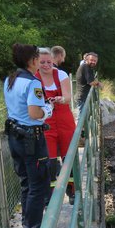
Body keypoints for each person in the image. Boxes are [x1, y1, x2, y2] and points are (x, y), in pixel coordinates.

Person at [3, 43, 53, 228]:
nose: (40, 63)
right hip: (32, 139)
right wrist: (48, 111)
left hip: (15, 138)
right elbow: (34, 113)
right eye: (38, 59)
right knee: (38, 186)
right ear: (33, 61)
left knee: (26, 184)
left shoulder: (10, 79)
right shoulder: (33, 83)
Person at [36, 48, 77, 204]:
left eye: (49, 62)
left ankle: (72, 191)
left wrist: (61, 98)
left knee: (68, 156)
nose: (46, 65)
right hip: (46, 122)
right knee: (49, 159)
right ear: (36, 62)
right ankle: (50, 196)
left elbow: (68, 97)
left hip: (64, 120)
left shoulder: (61, 74)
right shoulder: (34, 78)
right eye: (42, 62)